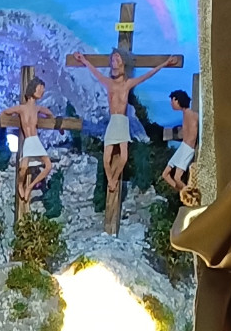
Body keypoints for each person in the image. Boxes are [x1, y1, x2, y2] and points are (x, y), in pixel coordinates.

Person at [70, 48, 170, 218]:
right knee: (106, 157)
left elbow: (148, 75)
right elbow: (95, 72)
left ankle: (114, 178)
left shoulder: (127, 84)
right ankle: (111, 180)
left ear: (124, 64)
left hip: (122, 122)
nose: (114, 63)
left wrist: (165, 63)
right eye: (113, 60)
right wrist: (84, 60)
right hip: (113, 121)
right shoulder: (108, 83)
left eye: (118, 60)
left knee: (123, 157)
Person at [0, 74, 58, 209]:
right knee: (23, 168)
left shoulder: (37, 109)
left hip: (35, 140)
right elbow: (5, 112)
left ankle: (30, 186)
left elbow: (49, 113)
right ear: (32, 89)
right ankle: (20, 184)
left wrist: (56, 123)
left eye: (42, 89)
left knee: (48, 166)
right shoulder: (22, 108)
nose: (41, 91)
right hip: (28, 141)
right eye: (39, 88)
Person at [161, 89, 198, 196]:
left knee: (177, 177)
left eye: (172, 101)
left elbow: (194, 128)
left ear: (177, 101)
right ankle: (184, 193)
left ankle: (191, 196)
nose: (171, 104)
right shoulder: (185, 114)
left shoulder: (191, 114)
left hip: (187, 148)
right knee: (165, 174)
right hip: (183, 147)